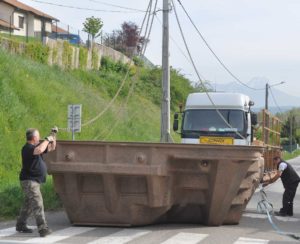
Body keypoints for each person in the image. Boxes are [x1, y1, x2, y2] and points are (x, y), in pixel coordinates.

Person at [16, 127, 57, 237]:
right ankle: (43, 229)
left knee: (28, 204)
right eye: (38, 137)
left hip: (33, 181)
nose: (40, 138)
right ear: (34, 138)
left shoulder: (36, 147)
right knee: (38, 203)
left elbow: (52, 147)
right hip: (29, 181)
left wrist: (53, 135)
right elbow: (39, 150)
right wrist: (47, 139)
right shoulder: (27, 148)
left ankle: (20, 224)